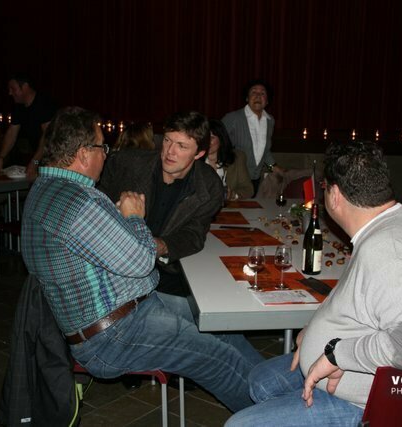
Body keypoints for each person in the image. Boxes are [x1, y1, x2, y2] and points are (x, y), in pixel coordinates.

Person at [21, 106, 262, 413]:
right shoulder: (79, 202)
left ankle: (278, 386)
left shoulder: (47, 189)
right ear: (83, 154)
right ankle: (272, 414)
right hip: (113, 334)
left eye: (181, 145)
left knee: (218, 323)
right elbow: (142, 261)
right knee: (218, 359)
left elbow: (188, 237)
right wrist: (135, 217)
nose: (106, 155)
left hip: (130, 306)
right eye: (102, 147)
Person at [226, 140, 402, 426]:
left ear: (335, 195)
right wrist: (312, 333)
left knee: (237, 425)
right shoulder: (389, 228)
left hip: (374, 404)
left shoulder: (390, 251)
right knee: (260, 382)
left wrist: (338, 355)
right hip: (365, 376)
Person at [99, 111, 224, 296]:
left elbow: (194, 234)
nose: (170, 151)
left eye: (181, 146)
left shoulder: (209, 185)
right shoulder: (127, 163)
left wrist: (161, 246)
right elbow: (96, 201)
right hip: (117, 272)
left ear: (199, 153)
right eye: (167, 140)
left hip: (169, 275)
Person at [222, 79, 284, 196]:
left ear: (267, 101)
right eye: (254, 92)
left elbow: (265, 151)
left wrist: (274, 167)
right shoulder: (233, 118)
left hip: (256, 178)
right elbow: (217, 143)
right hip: (235, 179)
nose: (258, 96)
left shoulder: (270, 120)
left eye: (262, 93)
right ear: (247, 98)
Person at [0, 73, 57, 177]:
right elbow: (11, 133)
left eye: (13, 89)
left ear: (25, 87)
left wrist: (34, 162)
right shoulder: (19, 107)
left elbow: (47, 137)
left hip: (56, 158)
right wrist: (1, 158)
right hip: (39, 158)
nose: (10, 93)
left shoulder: (44, 103)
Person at [207, 119, 253, 200]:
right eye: (204, 138)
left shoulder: (237, 158)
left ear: (221, 139)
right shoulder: (193, 159)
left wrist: (232, 194)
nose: (206, 142)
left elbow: (248, 190)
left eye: (211, 138)